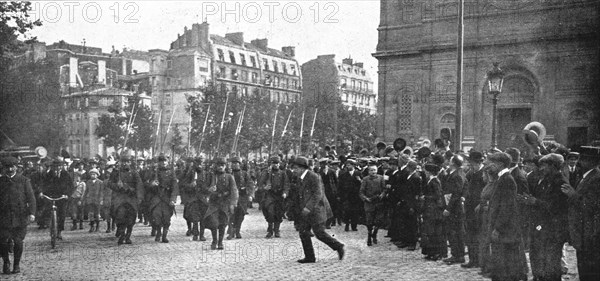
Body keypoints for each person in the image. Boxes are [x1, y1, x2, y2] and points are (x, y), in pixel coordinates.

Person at [518, 153, 568, 281]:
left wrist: (535, 202)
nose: (542, 168)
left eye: (544, 166)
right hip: (541, 226)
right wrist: (529, 200)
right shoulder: (547, 180)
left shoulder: (560, 181)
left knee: (551, 262)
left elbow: (557, 206)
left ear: (553, 166)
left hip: (553, 228)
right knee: (539, 256)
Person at [290, 156, 345, 263]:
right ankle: (310, 257)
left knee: (319, 233)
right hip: (307, 210)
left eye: (295, 168)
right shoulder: (300, 177)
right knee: (303, 232)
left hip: (317, 210)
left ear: (302, 168)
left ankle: (338, 246)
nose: (294, 170)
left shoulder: (313, 177)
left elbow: (317, 194)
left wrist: (308, 207)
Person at [486, 152, 527, 281]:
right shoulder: (501, 178)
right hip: (503, 227)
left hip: (505, 229)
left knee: (506, 262)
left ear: (500, 164)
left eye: (492, 163)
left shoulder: (507, 179)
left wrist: (497, 228)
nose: (488, 166)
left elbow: (506, 207)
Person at [561, 146, 600, 281]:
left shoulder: (595, 178)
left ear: (590, 161)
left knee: (589, 269)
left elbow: (590, 205)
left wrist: (573, 195)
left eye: (581, 159)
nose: (578, 162)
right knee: (584, 266)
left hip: (589, 232)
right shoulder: (588, 176)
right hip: (584, 232)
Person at [0, 157, 36, 275]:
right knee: (3, 241)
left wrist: (32, 213)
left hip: (20, 217)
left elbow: (31, 198)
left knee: (18, 241)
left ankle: (16, 264)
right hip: (3, 217)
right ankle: (6, 262)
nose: (10, 169)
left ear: (16, 167)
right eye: (7, 167)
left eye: (12, 167)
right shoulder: (1, 181)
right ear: (4, 168)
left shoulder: (24, 180)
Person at [107, 156, 144, 245]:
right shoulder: (116, 173)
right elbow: (109, 183)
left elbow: (139, 185)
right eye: (123, 161)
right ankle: (122, 234)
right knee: (119, 216)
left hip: (131, 198)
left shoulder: (134, 173)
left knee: (131, 218)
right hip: (119, 198)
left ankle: (128, 236)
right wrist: (117, 185)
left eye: (127, 161)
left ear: (130, 163)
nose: (125, 163)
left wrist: (138, 196)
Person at [203, 157, 238, 250]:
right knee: (214, 222)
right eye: (219, 165)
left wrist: (233, 203)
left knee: (223, 223)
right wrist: (209, 189)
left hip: (224, 203)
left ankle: (220, 242)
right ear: (216, 166)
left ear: (225, 166)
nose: (220, 167)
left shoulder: (229, 177)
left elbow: (234, 190)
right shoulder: (211, 176)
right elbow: (204, 187)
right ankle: (214, 240)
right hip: (214, 202)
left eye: (222, 165)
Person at [462, 150, 486, 268]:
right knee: (470, 234)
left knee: (478, 235)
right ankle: (472, 259)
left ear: (477, 162)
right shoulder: (471, 173)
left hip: (479, 209)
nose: (470, 164)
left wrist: (481, 204)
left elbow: (486, 192)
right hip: (470, 207)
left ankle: (479, 260)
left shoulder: (484, 174)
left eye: (471, 162)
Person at [443, 155, 467, 265]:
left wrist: (448, 208)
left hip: (454, 208)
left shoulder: (457, 175)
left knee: (454, 232)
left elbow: (456, 194)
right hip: (456, 207)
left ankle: (457, 255)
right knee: (457, 232)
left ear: (453, 163)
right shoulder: (459, 173)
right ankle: (458, 254)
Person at [148, 156, 178, 243]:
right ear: (159, 163)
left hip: (167, 198)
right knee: (156, 216)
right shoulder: (154, 172)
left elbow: (175, 187)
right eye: (161, 161)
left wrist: (173, 199)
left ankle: (164, 236)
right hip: (156, 197)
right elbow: (146, 184)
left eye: (165, 161)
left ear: (168, 162)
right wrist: (152, 184)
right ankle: (158, 232)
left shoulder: (171, 173)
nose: (163, 163)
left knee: (166, 217)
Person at [257, 156, 289, 238]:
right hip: (270, 195)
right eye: (274, 163)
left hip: (279, 195)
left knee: (279, 213)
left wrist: (285, 193)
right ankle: (270, 230)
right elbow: (260, 183)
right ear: (271, 164)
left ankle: (277, 230)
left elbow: (286, 185)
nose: (276, 165)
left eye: (277, 163)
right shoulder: (267, 173)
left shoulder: (283, 173)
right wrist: (265, 187)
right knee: (270, 212)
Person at [42, 160, 73, 240]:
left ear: (61, 167)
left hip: (62, 197)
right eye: (55, 167)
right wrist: (42, 193)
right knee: (47, 210)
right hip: (51, 195)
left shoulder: (66, 174)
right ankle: (49, 225)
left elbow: (71, 186)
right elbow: (44, 184)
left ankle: (59, 231)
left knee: (62, 214)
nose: (57, 168)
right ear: (53, 167)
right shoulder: (49, 175)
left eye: (59, 166)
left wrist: (67, 195)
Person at [420, 163, 446, 260]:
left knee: (434, 231)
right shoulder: (431, 180)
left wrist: (425, 197)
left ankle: (436, 253)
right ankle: (431, 252)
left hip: (433, 210)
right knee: (430, 231)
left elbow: (438, 195)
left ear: (429, 172)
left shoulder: (434, 181)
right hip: (430, 208)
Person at [182, 157, 210, 241]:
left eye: (202, 164)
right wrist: (191, 185)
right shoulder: (190, 173)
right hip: (193, 198)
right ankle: (195, 233)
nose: (200, 165)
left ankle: (202, 234)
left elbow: (210, 187)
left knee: (203, 217)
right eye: (198, 163)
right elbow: (183, 185)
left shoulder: (207, 174)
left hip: (203, 199)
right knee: (194, 217)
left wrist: (208, 193)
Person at [227, 156, 255, 240]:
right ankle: (231, 232)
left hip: (242, 197)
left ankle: (237, 230)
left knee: (241, 215)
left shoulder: (244, 174)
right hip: (231, 197)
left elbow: (250, 184)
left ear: (240, 164)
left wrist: (250, 194)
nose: (235, 165)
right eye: (233, 163)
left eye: (237, 163)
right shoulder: (228, 174)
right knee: (231, 215)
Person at [360, 164, 388, 246]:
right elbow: (361, 192)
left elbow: (384, 189)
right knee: (369, 221)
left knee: (378, 220)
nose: (373, 172)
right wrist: (365, 198)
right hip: (369, 203)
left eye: (375, 170)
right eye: (371, 170)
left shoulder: (381, 178)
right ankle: (369, 236)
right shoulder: (365, 179)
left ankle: (375, 233)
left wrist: (382, 194)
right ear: (368, 171)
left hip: (379, 202)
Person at [338, 158, 362, 231]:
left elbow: (363, 184)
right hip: (346, 196)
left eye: (349, 165)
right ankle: (347, 224)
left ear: (353, 165)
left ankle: (354, 226)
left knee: (355, 211)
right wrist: (339, 195)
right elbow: (339, 186)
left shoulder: (358, 174)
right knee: (347, 211)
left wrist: (360, 180)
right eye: (346, 165)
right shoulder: (343, 175)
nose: (347, 167)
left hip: (356, 196)